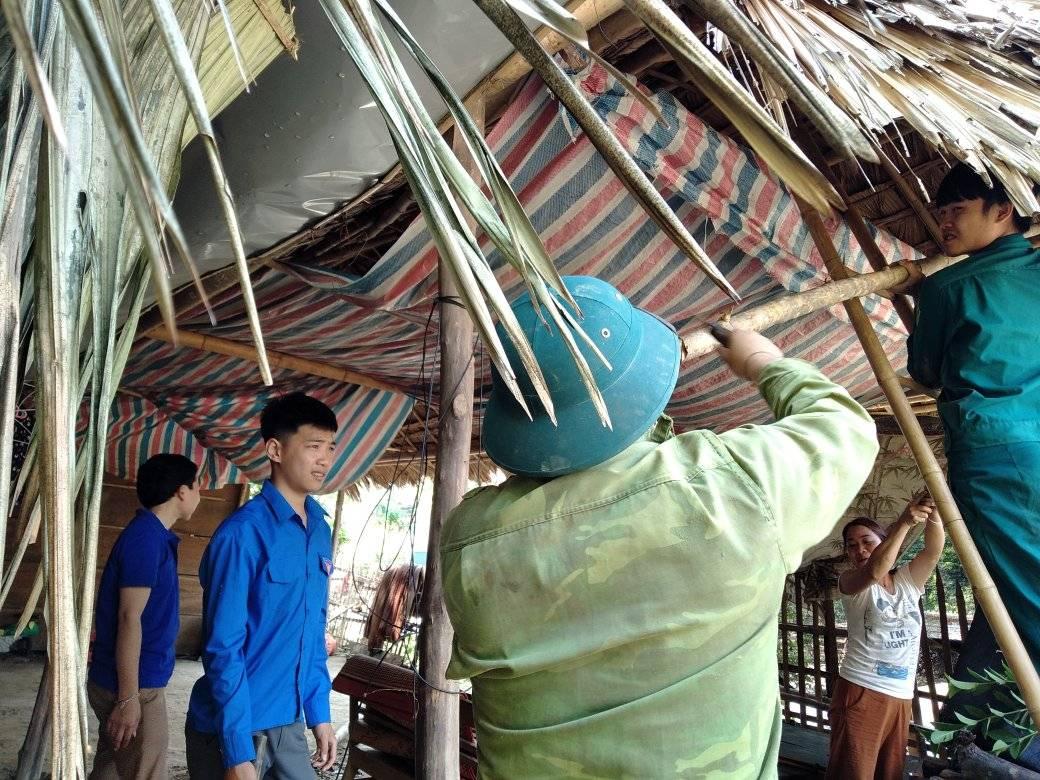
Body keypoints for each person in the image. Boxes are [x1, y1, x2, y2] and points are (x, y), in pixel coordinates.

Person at [440, 275, 880, 778]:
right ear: (641, 391)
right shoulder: (729, 485)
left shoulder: (466, 537)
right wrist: (763, 361)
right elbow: (843, 427)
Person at [893, 163, 1040, 764]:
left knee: (1024, 593)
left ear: (1002, 209)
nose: (943, 223)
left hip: (991, 448)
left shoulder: (947, 286)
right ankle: (974, 727)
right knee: (1007, 587)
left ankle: (1017, 738)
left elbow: (925, 371)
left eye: (958, 210)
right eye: (942, 211)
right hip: (1032, 440)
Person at [185, 392, 339, 778]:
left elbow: (312, 630)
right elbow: (222, 647)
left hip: (287, 721)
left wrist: (318, 712)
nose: (325, 459)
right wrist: (236, 752)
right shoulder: (242, 535)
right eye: (314, 446)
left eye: (331, 448)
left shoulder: (320, 530)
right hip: (232, 724)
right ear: (275, 449)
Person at [88, 453, 201, 779]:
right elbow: (128, 618)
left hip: (134, 680)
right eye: (196, 486)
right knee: (146, 772)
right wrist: (128, 699)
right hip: (135, 684)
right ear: (181, 491)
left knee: (111, 768)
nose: (199, 495)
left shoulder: (153, 536)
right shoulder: (146, 540)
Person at [825, 495, 944, 780]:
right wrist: (903, 522)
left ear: (882, 542)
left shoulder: (907, 581)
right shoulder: (851, 583)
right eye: (852, 546)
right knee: (853, 773)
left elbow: (934, 550)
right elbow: (876, 568)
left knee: (888, 774)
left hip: (901, 694)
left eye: (868, 542)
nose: (860, 550)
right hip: (861, 690)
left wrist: (936, 509)